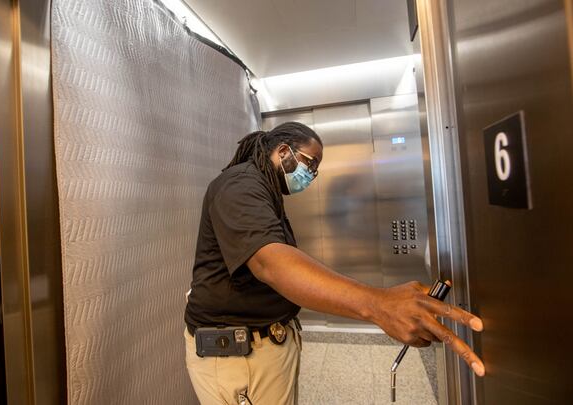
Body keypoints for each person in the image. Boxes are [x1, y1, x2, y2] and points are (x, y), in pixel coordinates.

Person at [184, 122, 485, 405]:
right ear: (283, 151)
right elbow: (271, 263)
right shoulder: (239, 184)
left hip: (265, 344)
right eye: (310, 163)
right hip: (239, 356)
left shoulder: (266, 191)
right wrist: (378, 304)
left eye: (315, 170)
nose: (311, 174)